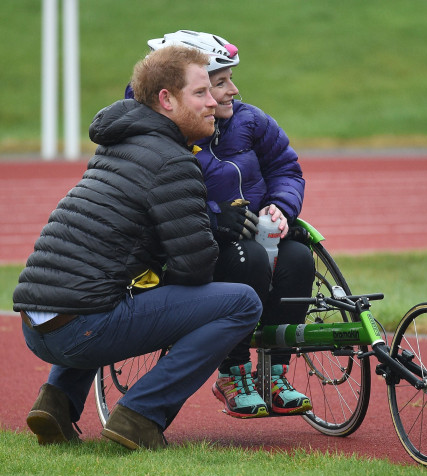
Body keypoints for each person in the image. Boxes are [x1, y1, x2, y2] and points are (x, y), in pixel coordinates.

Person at [13, 45, 262, 450]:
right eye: (200, 93)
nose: (214, 101)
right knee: (242, 303)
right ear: (166, 99)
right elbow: (196, 268)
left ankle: (56, 401)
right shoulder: (174, 161)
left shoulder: (120, 144)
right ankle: (140, 415)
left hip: (36, 324)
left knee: (115, 291)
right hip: (78, 331)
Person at [126, 30, 315, 419]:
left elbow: (285, 168)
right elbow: (162, 203)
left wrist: (281, 208)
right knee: (248, 261)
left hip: (259, 232)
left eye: (228, 81)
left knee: (299, 258)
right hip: (197, 248)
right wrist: (215, 218)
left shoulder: (251, 121)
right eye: (218, 83)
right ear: (178, 94)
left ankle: (273, 372)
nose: (230, 91)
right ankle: (233, 372)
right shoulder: (159, 137)